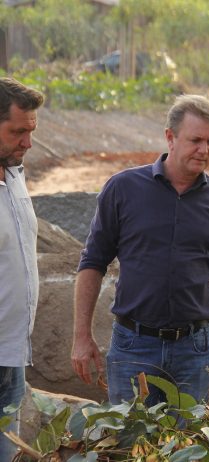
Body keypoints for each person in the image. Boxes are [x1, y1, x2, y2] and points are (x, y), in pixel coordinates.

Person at [71, 94, 209, 406]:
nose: (204, 150)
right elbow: (93, 262)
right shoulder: (123, 189)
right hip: (133, 346)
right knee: (130, 434)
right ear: (170, 138)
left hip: (194, 351)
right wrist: (82, 336)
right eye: (196, 140)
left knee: (187, 436)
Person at [0, 77, 44, 460]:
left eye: (31, 132)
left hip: (12, 354)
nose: (27, 143)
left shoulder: (14, 176)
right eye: (17, 132)